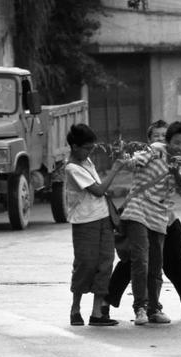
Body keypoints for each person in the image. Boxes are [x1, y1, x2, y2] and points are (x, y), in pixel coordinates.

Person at [105, 120, 181, 319]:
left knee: (162, 265)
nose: (179, 147)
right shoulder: (155, 150)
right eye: (175, 142)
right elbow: (136, 162)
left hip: (162, 217)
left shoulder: (179, 164)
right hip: (138, 211)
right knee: (139, 261)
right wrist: (126, 159)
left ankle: (160, 307)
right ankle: (136, 306)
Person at [65, 123, 124, 327]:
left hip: (103, 218)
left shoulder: (86, 161)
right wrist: (115, 169)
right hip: (84, 222)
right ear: (74, 146)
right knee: (85, 264)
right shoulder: (72, 168)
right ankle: (75, 308)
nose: (89, 152)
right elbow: (98, 191)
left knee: (105, 264)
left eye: (91, 148)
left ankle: (97, 312)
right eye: (86, 148)